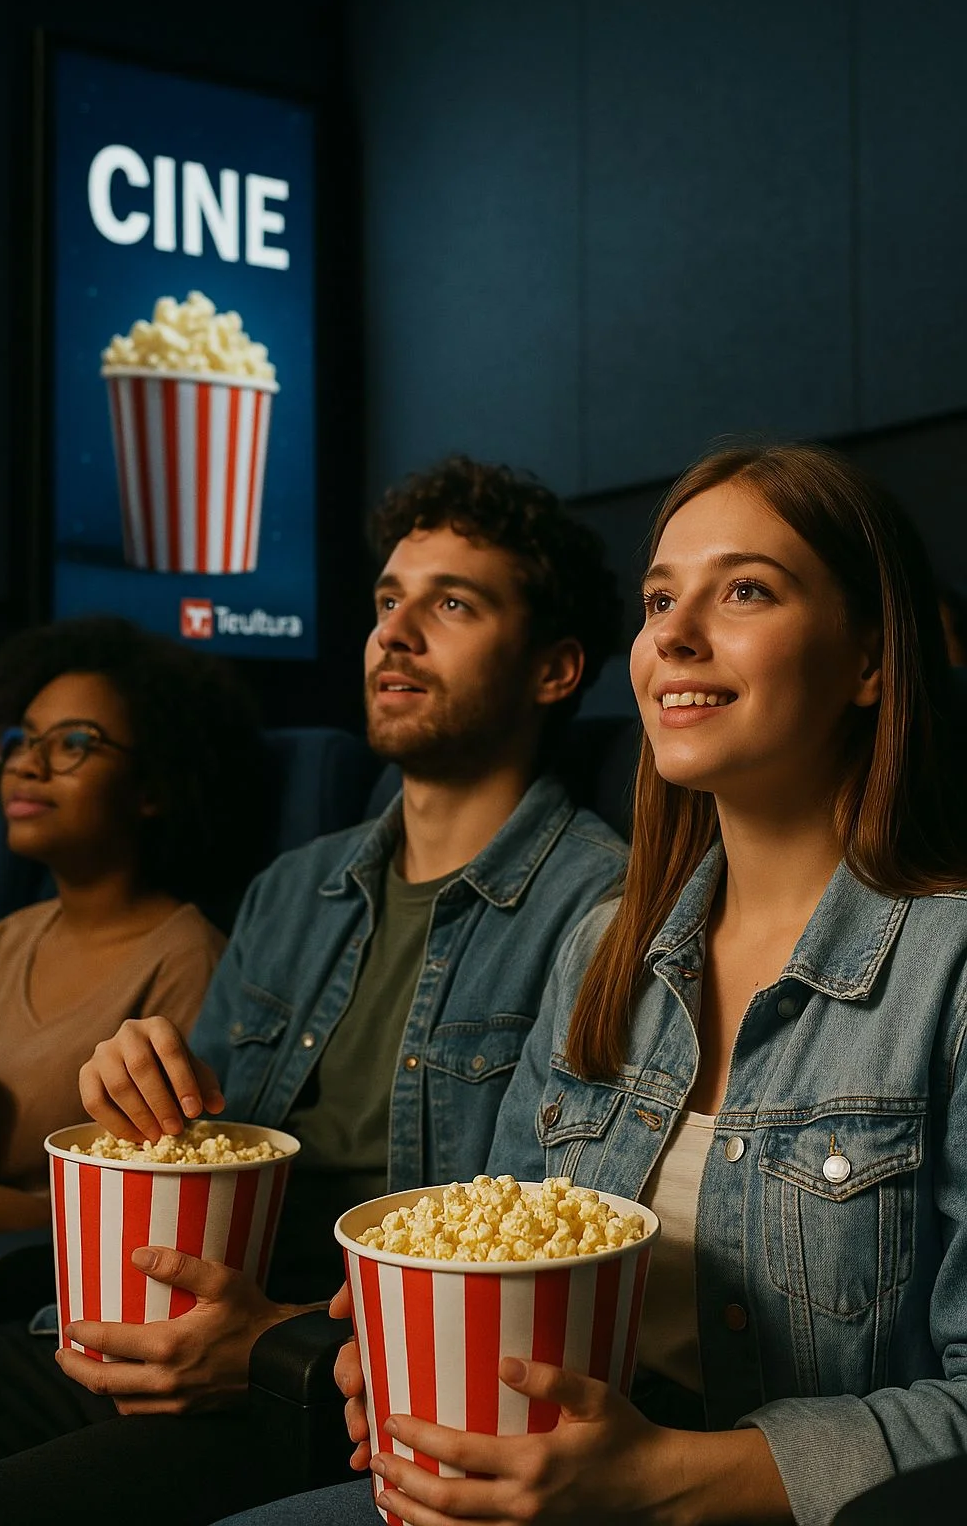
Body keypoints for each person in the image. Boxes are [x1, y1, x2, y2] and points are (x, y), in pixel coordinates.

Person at [252, 442, 967, 1526]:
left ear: (870, 660)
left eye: (743, 590)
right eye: (658, 598)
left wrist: (658, 1479)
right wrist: (418, 1342)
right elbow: (513, 1252)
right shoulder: (602, 948)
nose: (673, 634)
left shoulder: (949, 969)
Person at [0, 457, 628, 1525]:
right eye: (386, 602)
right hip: (153, 1339)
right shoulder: (292, 889)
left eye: (450, 604)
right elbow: (197, 1161)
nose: (392, 635)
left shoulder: (606, 911)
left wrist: (278, 1335)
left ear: (554, 669)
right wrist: (136, 1103)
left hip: (348, 1394)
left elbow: (525, 1280)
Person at [0, 615, 260, 1238]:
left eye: (73, 743)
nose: (27, 765)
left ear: (152, 786)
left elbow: (158, 1212)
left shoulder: (189, 959)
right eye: (21, 739)